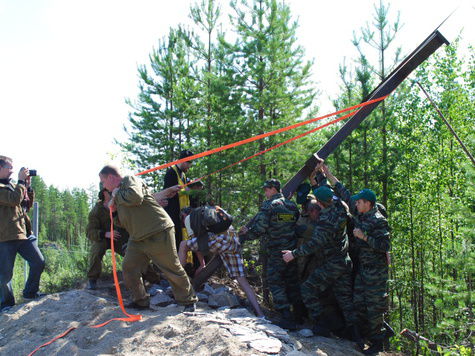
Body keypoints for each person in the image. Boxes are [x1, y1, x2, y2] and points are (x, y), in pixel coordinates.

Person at [99, 165, 197, 311]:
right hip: (137, 237)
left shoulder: (129, 180)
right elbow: (122, 221)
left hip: (158, 230)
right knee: (129, 267)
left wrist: (116, 195)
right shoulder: (118, 194)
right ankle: (140, 301)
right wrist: (113, 211)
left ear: (111, 177)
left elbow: (135, 197)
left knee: (171, 267)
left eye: (103, 181)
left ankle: (187, 300)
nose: (103, 185)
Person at [282, 186, 363, 349]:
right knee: (345, 300)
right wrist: (322, 176)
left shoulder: (325, 221)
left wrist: (293, 254)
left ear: (319, 203)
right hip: (345, 261)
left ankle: (321, 324)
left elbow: (314, 244)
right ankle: (357, 336)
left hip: (332, 264)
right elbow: (338, 196)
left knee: (307, 289)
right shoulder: (340, 208)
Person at [322, 164, 390, 355]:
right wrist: (327, 174)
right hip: (363, 269)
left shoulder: (378, 220)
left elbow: (385, 246)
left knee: (374, 307)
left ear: (367, 203)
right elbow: (343, 192)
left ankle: (377, 343)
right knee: (358, 303)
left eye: (359, 202)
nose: (356, 204)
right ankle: (362, 337)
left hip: (376, 272)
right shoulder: (360, 211)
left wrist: (365, 237)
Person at [178, 206, 264, 317]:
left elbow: (196, 242)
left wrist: (202, 264)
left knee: (183, 245)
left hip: (219, 241)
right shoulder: (212, 212)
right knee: (242, 280)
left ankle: (178, 278)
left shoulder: (189, 218)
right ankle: (261, 314)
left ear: (184, 215)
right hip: (233, 241)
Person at [240, 179, 302, 330]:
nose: (265, 192)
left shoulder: (270, 206)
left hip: (276, 251)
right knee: (291, 283)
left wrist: (245, 236)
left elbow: (260, 228)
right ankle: (299, 316)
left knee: (276, 282)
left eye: (266, 189)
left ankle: (286, 317)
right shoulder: (292, 205)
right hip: (291, 252)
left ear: (273, 189)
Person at [0, 156, 45, 313]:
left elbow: (25, 205)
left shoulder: (13, 186)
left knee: (38, 262)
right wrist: (20, 183)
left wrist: (27, 187)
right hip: (5, 236)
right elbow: (13, 200)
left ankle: (30, 293)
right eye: (9, 167)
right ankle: (6, 305)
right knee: (5, 275)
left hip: (23, 233)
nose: (13, 170)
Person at [86, 188, 129, 290]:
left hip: (120, 238)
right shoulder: (96, 211)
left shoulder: (121, 205)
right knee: (96, 250)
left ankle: (152, 279)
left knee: (133, 252)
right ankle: (92, 280)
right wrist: (105, 234)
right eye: (111, 190)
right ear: (105, 193)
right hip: (103, 238)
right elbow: (89, 232)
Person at [163, 150, 195, 248]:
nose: (189, 166)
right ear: (183, 161)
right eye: (189, 163)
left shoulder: (183, 175)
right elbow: (168, 194)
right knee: (176, 241)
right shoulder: (171, 173)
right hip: (173, 215)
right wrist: (185, 190)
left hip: (183, 215)